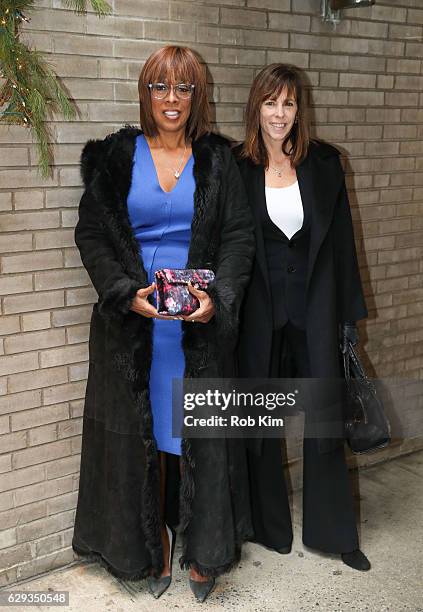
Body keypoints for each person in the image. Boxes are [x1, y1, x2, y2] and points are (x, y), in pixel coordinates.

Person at [72, 45, 255, 603]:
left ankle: (205, 549)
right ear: (145, 94)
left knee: (196, 436)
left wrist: (217, 299)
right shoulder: (116, 157)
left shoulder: (220, 161)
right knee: (139, 441)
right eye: (160, 87)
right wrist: (125, 294)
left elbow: (238, 238)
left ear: (197, 97)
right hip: (135, 329)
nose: (171, 100)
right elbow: (93, 235)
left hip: (196, 327)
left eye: (184, 89)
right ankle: (151, 544)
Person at [234, 63, 371, 571]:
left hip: (315, 312)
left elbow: (341, 246)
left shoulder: (325, 164)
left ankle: (336, 534)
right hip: (259, 314)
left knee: (325, 424)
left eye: (288, 104)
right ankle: (269, 529)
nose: (279, 114)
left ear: (299, 110)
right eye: (271, 102)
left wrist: (347, 320)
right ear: (257, 107)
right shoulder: (235, 166)